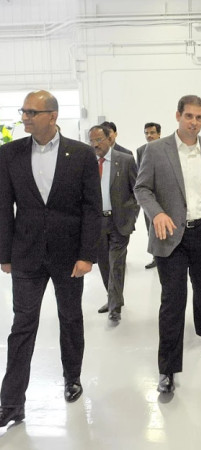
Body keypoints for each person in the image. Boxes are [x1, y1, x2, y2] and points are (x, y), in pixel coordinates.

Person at [0, 90, 102, 427]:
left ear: (53, 116)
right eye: (24, 111)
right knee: (22, 326)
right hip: (26, 254)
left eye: (32, 112)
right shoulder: (9, 154)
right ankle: (11, 402)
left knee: (70, 318)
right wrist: (4, 254)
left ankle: (72, 377)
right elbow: (3, 207)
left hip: (69, 256)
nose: (25, 117)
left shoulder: (82, 154)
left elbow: (91, 209)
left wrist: (87, 255)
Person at [134, 95, 201, 394]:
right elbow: (142, 188)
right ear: (178, 116)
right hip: (171, 235)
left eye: (199, 117)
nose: (194, 122)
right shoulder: (155, 150)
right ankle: (167, 369)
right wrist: (157, 213)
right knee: (172, 301)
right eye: (189, 116)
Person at [90, 125, 139, 323]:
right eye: (91, 141)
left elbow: (137, 190)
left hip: (119, 221)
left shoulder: (125, 160)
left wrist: (132, 216)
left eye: (98, 140)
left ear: (109, 139)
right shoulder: (88, 162)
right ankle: (113, 298)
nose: (95, 144)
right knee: (104, 264)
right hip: (97, 222)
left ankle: (114, 307)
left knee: (116, 263)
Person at [136, 121, 162, 269]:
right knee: (150, 228)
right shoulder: (141, 151)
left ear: (159, 134)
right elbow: (140, 175)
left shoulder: (166, 148)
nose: (149, 136)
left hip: (165, 195)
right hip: (148, 197)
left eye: (152, 133)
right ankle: (155, 257)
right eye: (146, 133)